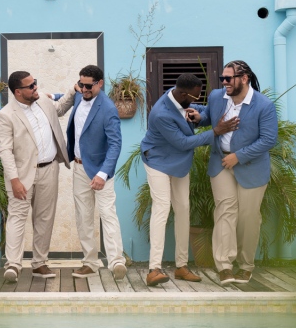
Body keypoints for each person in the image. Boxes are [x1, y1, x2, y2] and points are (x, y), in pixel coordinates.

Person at [140, 73, 239, 286]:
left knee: (183, 208)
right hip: (157, 161)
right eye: (195, 97)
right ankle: (153, 269)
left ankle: (181, 266)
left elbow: (202, 111)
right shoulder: (160, 114)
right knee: (162, 208)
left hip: (178, 163)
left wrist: (199, 114)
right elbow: (184, 143)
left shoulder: (180, 100)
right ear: (183, 93)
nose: (197, 100)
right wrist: (216, 131)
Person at [200, 60, 278, 285]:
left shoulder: (263, 105)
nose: (224, 83)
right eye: (222, 78)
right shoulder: (216, 97)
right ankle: (224, 266)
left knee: (248, 217)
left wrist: (240, 156)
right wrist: (197, 116)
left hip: (251, 167)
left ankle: (246, 265)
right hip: (221, 163)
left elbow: (269, 139)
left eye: (228, 78)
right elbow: (208, 116)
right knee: (225, 210)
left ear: (244, 79)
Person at [54, 65, 127, 281]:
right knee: (83, 217)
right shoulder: (80, 96)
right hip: (78, 167)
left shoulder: (108, 109)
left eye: (88, 86)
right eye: (81, 84)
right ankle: (90, 262)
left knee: (107, 214)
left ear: (100, 84)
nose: (83, 89)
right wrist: (53, 96)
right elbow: (66, 99)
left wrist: (103, 174)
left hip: (100, 171)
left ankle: (116, 262)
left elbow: (115, 144)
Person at [0, 71, 70, 283]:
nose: (35, 87)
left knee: (44, 218)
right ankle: (13, 265)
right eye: (31, 86)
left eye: (35, 83)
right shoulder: (5, 115)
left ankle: (39, 263)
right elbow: (5, 151)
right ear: (18, 92)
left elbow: (62, 107)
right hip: (21, 176)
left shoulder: (45, 103)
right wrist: (14, 180)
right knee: (17, 219)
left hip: (49, 169)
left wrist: (74, 91)